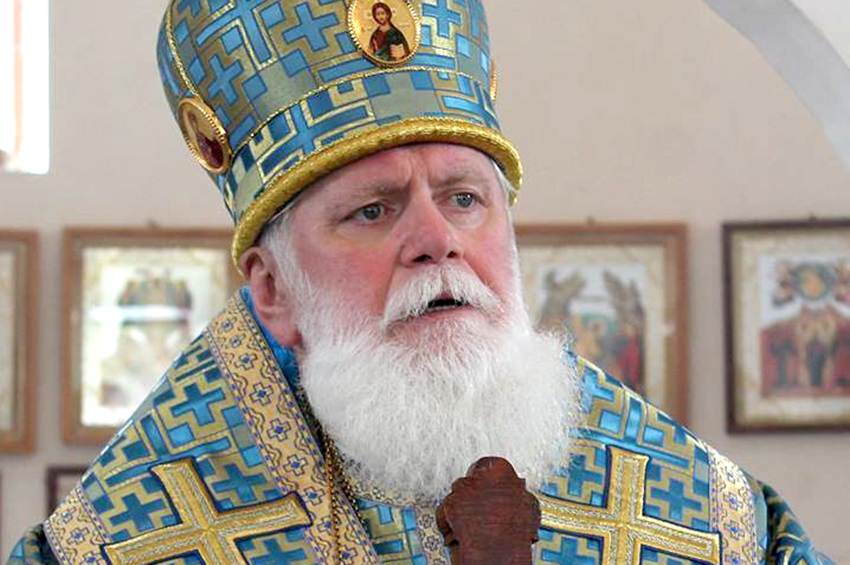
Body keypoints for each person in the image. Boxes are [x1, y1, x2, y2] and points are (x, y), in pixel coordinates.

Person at [6, 1, 834, 564]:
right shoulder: (112, 546)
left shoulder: (717, 525)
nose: (437, 241)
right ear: (273, 288)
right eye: (372, 210)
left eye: (465, 199)